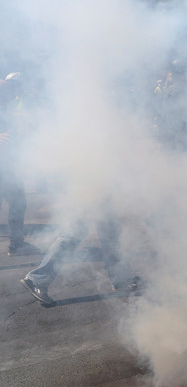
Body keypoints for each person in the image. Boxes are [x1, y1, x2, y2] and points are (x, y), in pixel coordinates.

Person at [20, 213, 140, 307]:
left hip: (94, 190)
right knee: (77, 233)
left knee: (107, 230)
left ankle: (120, 276)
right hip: (94, 190)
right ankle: (38, 279)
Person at [0, 79, 38, 256]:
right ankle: (16, 244)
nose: (11, 95)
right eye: (7, 91)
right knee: (17, 201)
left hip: (7, 166)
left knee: (18, 202)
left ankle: (16, 243)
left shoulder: (7, 108)